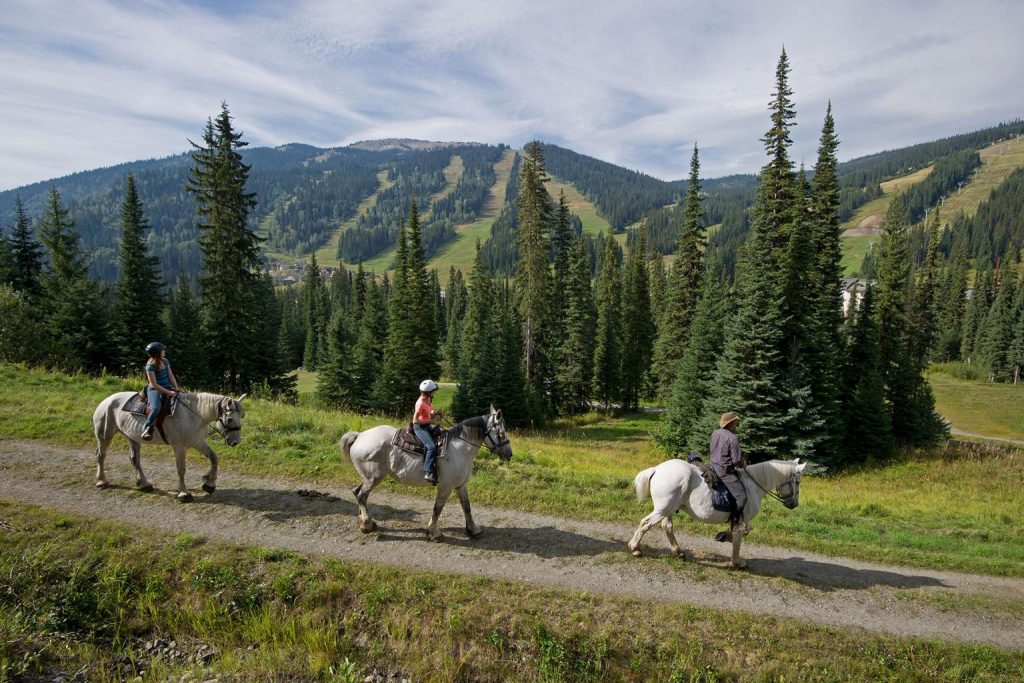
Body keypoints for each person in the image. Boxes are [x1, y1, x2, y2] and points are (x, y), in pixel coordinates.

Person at [710, 411, 748, 533]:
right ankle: (735, 524)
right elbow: (736, 460)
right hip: (724, 471)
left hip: (712, 464)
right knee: (742, 496)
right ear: (731, 423)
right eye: (736, 421)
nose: (737, 423)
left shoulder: (715, 433)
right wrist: (743, 463)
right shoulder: (733, 438)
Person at [141, 341, 180, 441]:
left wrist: (176, 387)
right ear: (157, 353)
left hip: (167, 386)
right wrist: (169, 392)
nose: (164, 351)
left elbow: (170, 375)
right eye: (162, 350)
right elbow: (154, 384)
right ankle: (147, 427)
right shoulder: (150, 366)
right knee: (156, 408)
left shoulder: (165, 361)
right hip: (155, 389)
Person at [413, 379, 443, 485]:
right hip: (419, 427)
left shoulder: (429, 399)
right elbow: (415, 420)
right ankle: (427, 471)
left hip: (426, 425)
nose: (434, 392)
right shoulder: (420, 403)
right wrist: (430, 420)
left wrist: (436, 413)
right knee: (431, 447)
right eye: (433, 391)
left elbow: (429, 412)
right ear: (428, 392)